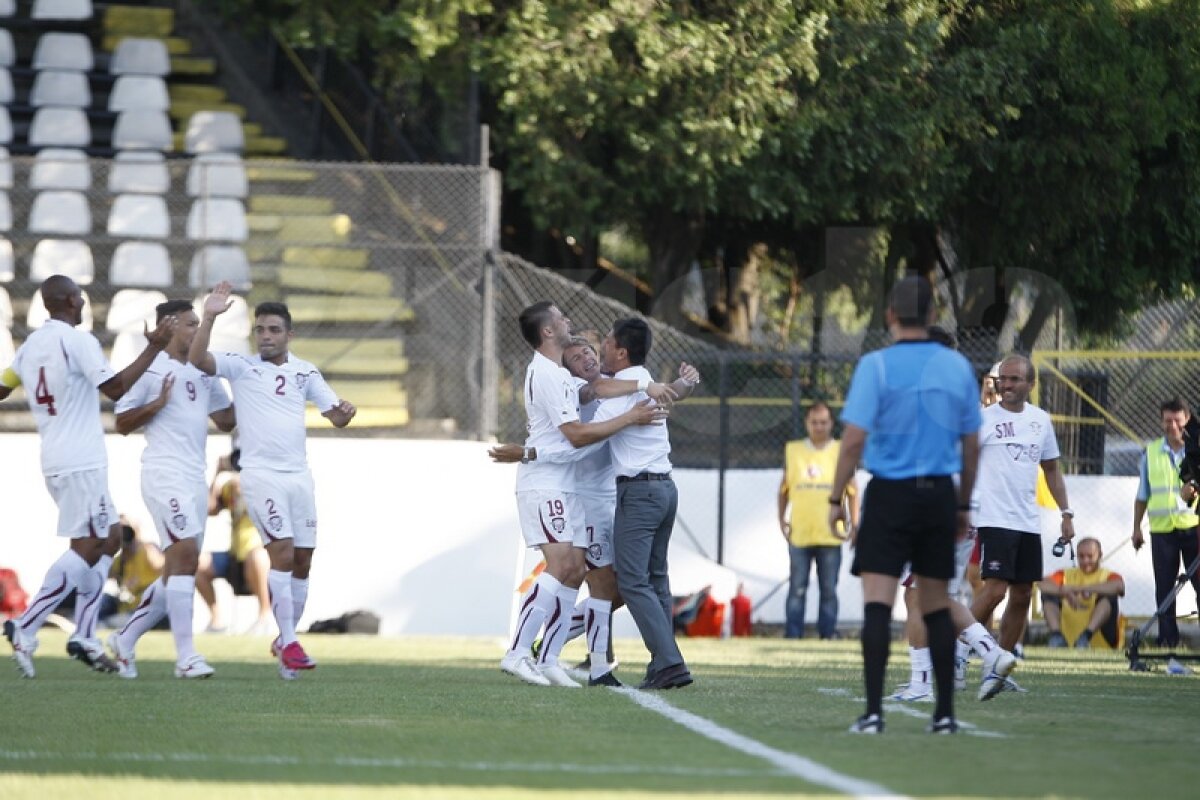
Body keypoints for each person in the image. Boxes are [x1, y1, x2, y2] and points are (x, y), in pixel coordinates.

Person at [492, 334, 697, 686]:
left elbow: (653, 393)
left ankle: (577, 654)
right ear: (567, 369)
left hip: (609, 496)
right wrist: (528, 453)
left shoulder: (614, 387)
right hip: (585, 498)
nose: (586, 358)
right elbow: (580, 446)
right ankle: (589, 662)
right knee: (605, 582)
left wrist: (683, 383)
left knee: (615, 586)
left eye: (588, 351)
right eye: (576, 357)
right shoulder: (578, 392)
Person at [827, 275, 981, 735]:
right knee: (936, 604)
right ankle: (945, 715)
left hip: (889, 492)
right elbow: (971, 445)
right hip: (937, 493)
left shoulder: (875, 366)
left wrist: (836, 498)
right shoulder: (956, 368)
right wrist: (961, 505)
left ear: (890, 316)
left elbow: (853, 441)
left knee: (878, 601)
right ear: (933, 316)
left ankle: (874, 713)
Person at [0, 274, 175, 678]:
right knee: (92, 542)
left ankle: (84, 633)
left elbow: (2, 387)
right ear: (68, 301)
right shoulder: (77, 341)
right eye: (79, 298)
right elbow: (115, 388)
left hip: (57, 455)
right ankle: (26, 625)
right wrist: (153, 348)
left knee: (110, 538)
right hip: (80, 459)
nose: (83, 304)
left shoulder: (30, 348)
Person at [188, 280, 357, 680]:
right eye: (260, 329)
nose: (265, 336)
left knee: (302, 560)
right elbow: (198, 360)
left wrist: (344, 412)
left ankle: (285, 641)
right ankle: (290, 640)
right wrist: (209, 316)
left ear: (288, 335)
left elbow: (334, 414)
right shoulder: (240, 365)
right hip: (261, 476)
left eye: (273, 330)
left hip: (299, 477)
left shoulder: (305, 371)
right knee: (280, 552)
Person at [107, 299, 236, 679]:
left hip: (195, 479)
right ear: (169, 326)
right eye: (191, 324)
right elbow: (122, 423)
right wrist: (158, 404)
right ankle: (186, 657)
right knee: (183, 558)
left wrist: (250, 386)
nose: (197, 329)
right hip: (164, 475)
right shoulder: (149, 369)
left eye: (199, 323)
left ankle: (126, 638)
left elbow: (226, 421)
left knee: (183, 565)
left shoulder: (203, 369)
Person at [592, 317, 694, 690]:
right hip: (664, 489)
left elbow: (584, 436)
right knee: (656, 579)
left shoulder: (623, 391)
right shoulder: (645, 378)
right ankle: (662, 662)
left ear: (620, 351)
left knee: (633, 581)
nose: (600, 347)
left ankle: (669, 662)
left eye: (605, 340)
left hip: (639, 494)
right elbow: (673, 391)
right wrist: (685, 383)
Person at [970, 354, 1074, 696]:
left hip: (1026, 522)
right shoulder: (982, 419)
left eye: (1015, 379)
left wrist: (1066, 514)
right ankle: (956, 656)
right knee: (995, 591)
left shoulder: (1040, 421)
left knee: (1023, 594)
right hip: (993, 517)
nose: (1007, 384)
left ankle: (996, 670)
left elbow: (1052, 471)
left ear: (1030, 385)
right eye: (1004, 378)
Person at [778, 401, 858, 640]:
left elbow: (853, 491)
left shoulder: (841, 451)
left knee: (829, 589)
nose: (819, 427)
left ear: (831, 424)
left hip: (830, 533)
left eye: (824, 422)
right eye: (814, 422)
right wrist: (782, 519)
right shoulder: (794, 450)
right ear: (807, 423)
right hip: (800, 532)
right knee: (797, 589)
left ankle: (828, 633)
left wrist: (855, 524)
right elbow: (783, 489)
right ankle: (793, 635)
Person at [1131, 398, 1200, 647]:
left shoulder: (1196, 450)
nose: (1173, 426)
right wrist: (1136, 527)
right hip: (1162, 530)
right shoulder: (1151, 452)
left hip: (1194, 527)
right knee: (1165, 589)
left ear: (1187, 421)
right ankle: (1168, 642)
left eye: (1178, 421)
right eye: (1168, 420)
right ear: (1161, 421)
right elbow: (1142, 495)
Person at [196, 449, 273, 634]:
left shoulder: (266, 482)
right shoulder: (230, 486)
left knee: (257, 557)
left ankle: (264, 617)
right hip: (234, 553)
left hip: (259, 552)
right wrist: (218, 474)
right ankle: (217, 621)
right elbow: (209, 509)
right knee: (197, 563)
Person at [1039, 537, 1125, 649]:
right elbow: (1042, 584)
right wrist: (1063, 592)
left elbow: (1119, 586)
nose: (1085, 561)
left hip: (1104, 639)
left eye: (1090, 556)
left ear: (1100, 555)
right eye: (1081, 556)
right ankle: (1057, 637)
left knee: (1109, 595)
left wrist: (1082, 589)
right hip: (1069, 637)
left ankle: (1086, 636)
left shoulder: (1109, 575)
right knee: (1048, 594)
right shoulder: (1065, 574)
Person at [102, 517, 164, 628]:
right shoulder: (119, 561)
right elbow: (100, 574)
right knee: (104, 600)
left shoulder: (147, 550)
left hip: (152, 609)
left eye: (126, 530)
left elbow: (163, 566)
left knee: (113, 622)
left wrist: (139, 540)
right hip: (129, 609)